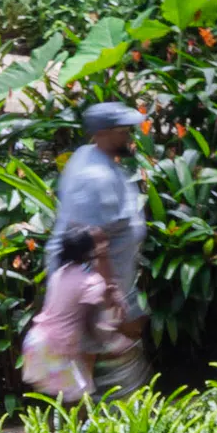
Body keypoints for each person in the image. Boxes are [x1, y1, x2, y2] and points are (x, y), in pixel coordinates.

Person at [45, 97, 149, 394]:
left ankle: (119, 397)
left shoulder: (90, 155)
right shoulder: (95, 179)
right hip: (92, 284)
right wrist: (105, 294)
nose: (129, 135)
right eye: (122, 130)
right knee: (85, 357)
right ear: (102, 133)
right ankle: (86, 412)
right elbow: (89, 242)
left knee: (129, 330)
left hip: (112, 279)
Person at [15, 224, 116, 412]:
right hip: (57, 349)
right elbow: (91, 323)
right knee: (79, 405)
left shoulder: (58, 274)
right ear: (89, 251)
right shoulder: (90, 282)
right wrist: (109, 341)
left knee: (63, 407)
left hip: (36, 342)